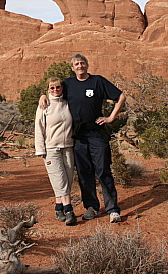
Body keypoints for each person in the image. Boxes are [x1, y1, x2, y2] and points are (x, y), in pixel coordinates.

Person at [40, 54, 126, 223]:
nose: (80, 66)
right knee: (84, 173)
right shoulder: (68, 84)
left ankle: (112, 209)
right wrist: (43, 96)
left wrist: (111, 117)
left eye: (82, 63)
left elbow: (121, 97)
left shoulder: (98, 81)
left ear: (87, 65)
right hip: (78, 137)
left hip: (97, 134)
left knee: (103, 171)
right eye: (76, 64)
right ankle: (91, 207)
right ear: (72, 68)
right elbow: (54, 90)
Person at [34, 77, 77, 226]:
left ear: (62, 88)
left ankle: (59, 207)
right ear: (48, 89)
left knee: (68, 179)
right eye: (52, 88)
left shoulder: (67, 103)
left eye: (58, 87)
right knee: (60, 179)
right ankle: (69, 210)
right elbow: (38, 127)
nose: (55, 90)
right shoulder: (44, 105)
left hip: (68, 147)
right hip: (51, 149)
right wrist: (40, 149)